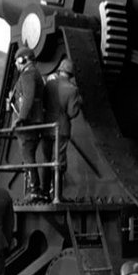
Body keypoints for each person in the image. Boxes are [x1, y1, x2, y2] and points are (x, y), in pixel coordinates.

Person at [40, 58, 82, 201]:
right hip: (62, 128)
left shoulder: (49, 85)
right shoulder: (72, 90)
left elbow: (43, 104)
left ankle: (44, 192)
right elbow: (72, 113)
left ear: (60, 70)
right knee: (59, 160)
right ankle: (57, 195)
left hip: (46, 127)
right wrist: (79, 102)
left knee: (46, 159)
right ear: (71, 74)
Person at [11, 46, 45, 203]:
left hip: (28, 123)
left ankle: (34, 190)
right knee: (29, 156)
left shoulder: (28, 74)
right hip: (34, 121)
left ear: (22, 59)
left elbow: (28, 97)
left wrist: (21, 118)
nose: (16, 65)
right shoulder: (34, 73)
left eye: (17, 61)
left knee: (28, 156)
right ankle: (35, 189)